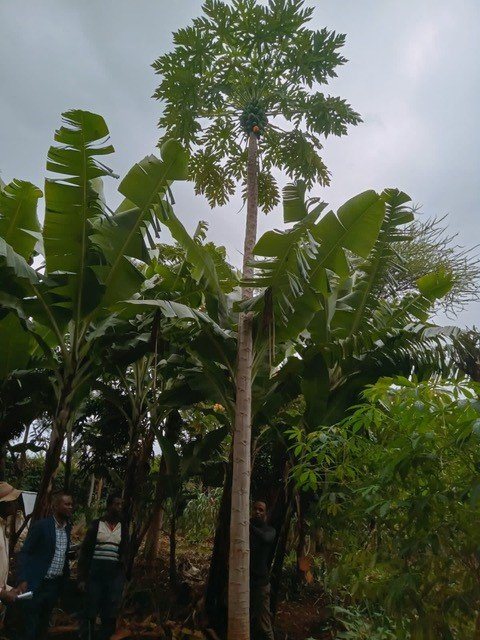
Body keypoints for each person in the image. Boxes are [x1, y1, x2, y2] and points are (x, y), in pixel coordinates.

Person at [17, 492, 73, 640]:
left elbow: (64, 555)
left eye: (71, 504)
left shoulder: (67, 528)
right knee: (31, 622)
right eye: (66, 504)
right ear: (55, 506)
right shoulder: (42, 526)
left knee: (44, 623)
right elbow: (25, 552)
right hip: (37, 583)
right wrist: (23, 579)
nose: (70, 507)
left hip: (54, 585)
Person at [77, 493, 128, 640]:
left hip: (113, 577)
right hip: (95, 576)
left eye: (120, 505)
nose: (118, 508)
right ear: (109, 506)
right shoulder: (97, 524)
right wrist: (82, 578)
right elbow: (85, 552)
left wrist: (122, 577)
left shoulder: (122, 527)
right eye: (116, 504)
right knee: (90, 610)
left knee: (110, 612)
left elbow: (124, 552)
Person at [250, 499, 276, 640]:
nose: (257, 512)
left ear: (265, 513)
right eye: (255, 509)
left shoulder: (269, 530)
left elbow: (266, 539)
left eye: (261, 510)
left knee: (264, 625)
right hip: (245, 583)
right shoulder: (245, 529)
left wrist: (249, 526)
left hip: (261, 584)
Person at [0, 482, 23, 604]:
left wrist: (9, 589)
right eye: (13, 501)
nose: (16, 505)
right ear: (4, 503)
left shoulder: (3, 527)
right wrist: (2, 593)